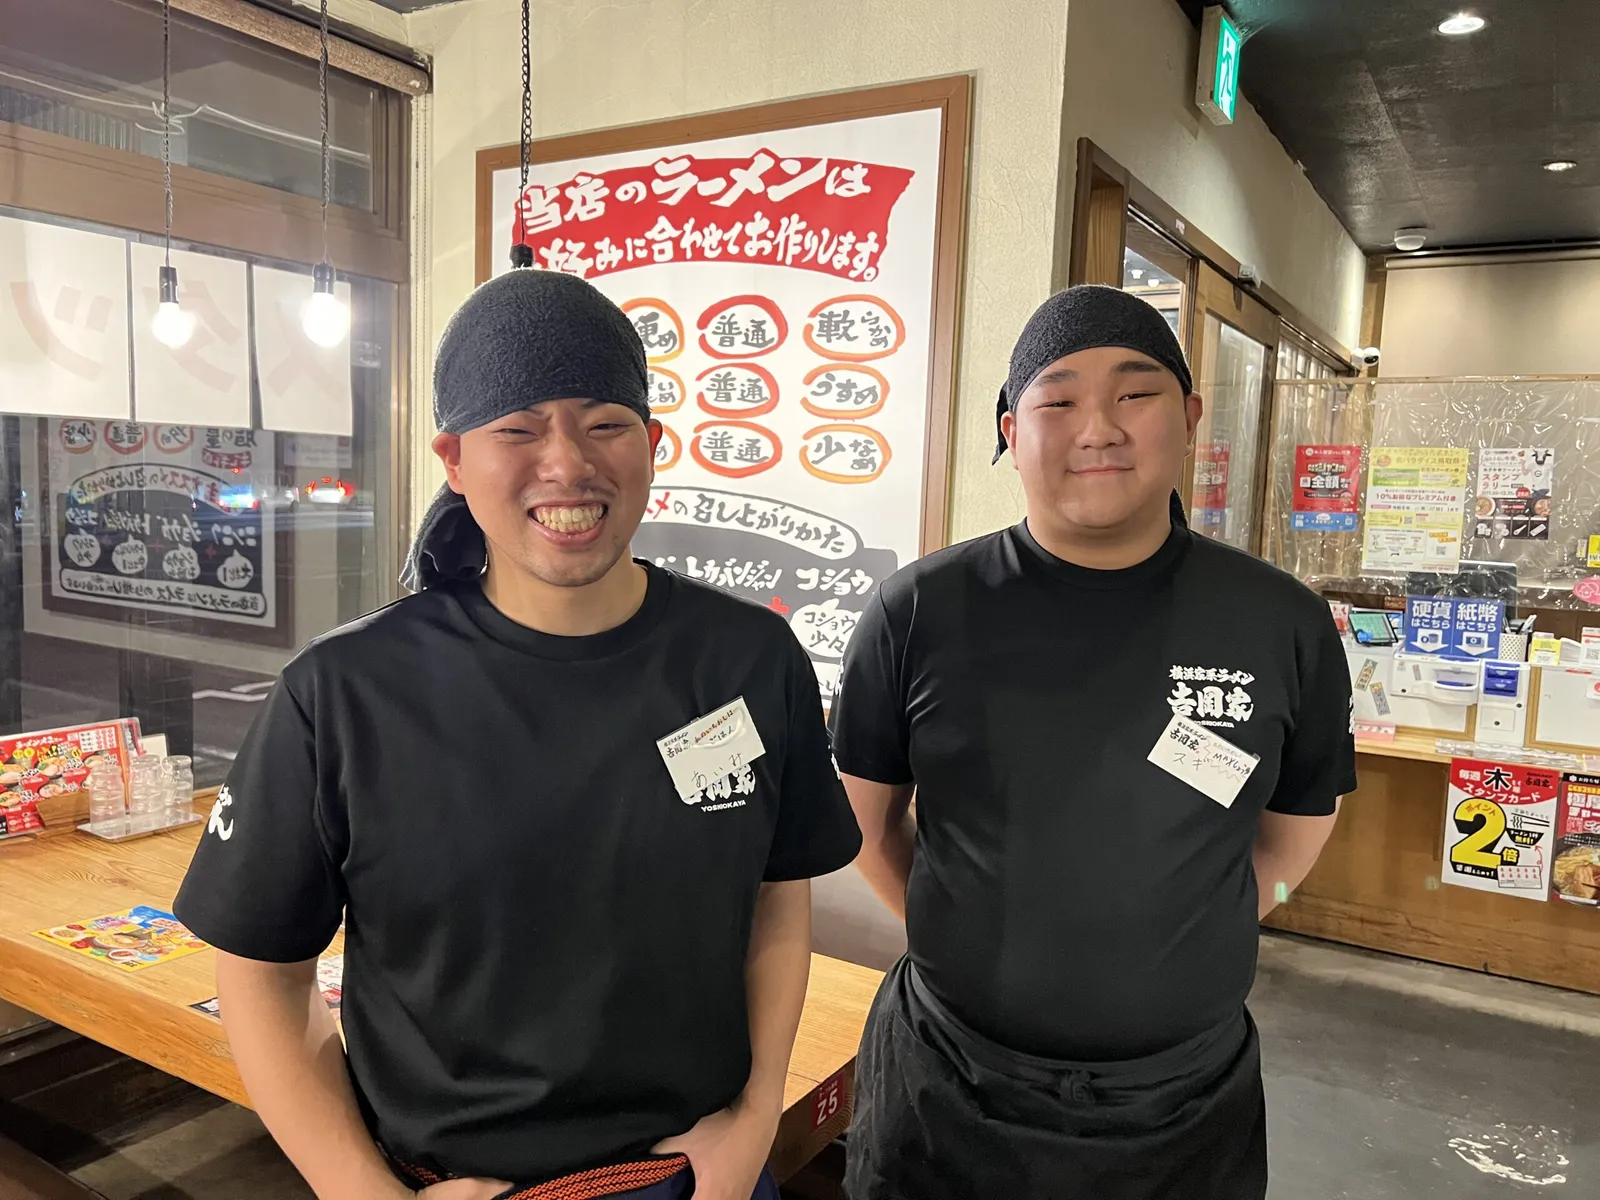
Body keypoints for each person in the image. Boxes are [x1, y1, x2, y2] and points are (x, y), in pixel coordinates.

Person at [175, 269, 862, 1200]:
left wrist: (752, 1120)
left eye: (605, 422)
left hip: (692, 1178)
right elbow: (260, 975)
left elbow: (778, 901)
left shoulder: (747, 658)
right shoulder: (345, 691)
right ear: (454, 460)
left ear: (654, 445)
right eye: (520, 428)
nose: (568, 463)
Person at [828, 285, 1356, 1200]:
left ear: (1190, 417)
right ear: (1010, 429)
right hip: (948, 1088)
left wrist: (1204, 925)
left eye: (1136, 393)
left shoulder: (1281, 622)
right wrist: (961, 937)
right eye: (1058, 398)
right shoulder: (917, 612)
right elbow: (868, 825)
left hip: (1183, 1104)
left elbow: (1294, 828)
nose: (1099, 427)